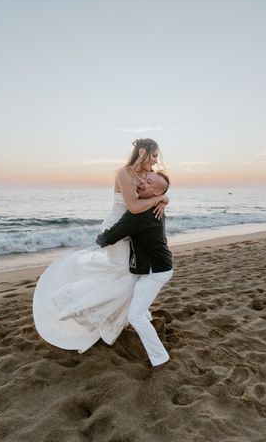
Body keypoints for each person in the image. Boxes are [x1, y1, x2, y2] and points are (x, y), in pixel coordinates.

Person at [33, 139, 169, 354]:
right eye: (152, 155)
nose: (155, 160)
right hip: (116, 229)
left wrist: (163, 198)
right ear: (141, 151)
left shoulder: (146, 174)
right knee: (124, 274)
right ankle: (80, 306)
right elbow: (134, 207)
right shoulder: (124, 173)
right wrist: (159, 198)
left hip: (131, 230)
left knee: (131, 274)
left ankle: (133, 315)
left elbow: (155, 191)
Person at [96, 171, 174, 367]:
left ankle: (160, 357)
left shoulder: (141, 213)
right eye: (142, 179)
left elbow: (110, 237)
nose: (140, 183)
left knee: (135, 316)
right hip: (155, 266)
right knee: (135, 296)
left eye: (147, 182)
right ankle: (151, 319)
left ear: (156, 191)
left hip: (156, 271)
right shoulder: (155, 205)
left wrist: (98, 238)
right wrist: (163, 199)